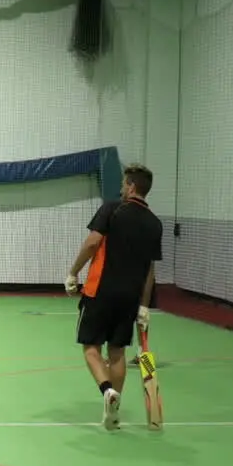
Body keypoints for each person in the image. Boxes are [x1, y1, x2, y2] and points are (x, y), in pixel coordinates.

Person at [65, 164, 163, 430]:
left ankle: (107, 391)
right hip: (130, 298)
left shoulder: (112, 209)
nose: (121, 188)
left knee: (91, 348)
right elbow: (150, 270)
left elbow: (92, 243)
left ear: (131, 186)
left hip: (100, 291)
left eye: (123, 184)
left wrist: (73, 273)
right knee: (117, 351)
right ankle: (112, 415)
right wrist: (144, 306)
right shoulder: (155, 223)